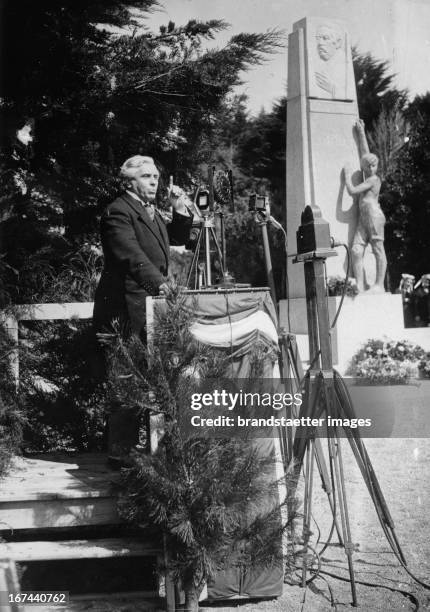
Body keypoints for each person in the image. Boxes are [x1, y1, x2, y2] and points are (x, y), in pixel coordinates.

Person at [93, 155, 193, 338]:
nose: (154, 182)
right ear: (129, 182)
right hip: (124, 311)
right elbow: (131, 256)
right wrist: (161, 283)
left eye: (156, 177)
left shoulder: (150, 211)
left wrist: (178, 207)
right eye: (146, 176)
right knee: (128, 365)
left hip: (149, 304)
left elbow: (178, 239)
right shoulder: (118, 211)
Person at [344, 119, 387, 293]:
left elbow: (353, 190)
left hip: (374, 216)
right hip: (364, 216)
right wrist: (361, 133)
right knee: (355, 250)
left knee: (378, 249)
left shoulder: (373, 179)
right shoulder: (367, 172)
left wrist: (347, 176)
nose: (371, 167)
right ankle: (360, 285)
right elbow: (365, 153)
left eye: (373, 165)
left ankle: (379, 284)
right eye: (368, 165)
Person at [314, 22, 345, 98]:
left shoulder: (344, 66)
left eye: (325, 38)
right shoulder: (317, 65)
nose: (320, 43)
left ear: (338, 43)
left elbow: (348, 94)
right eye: (318, 39)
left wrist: (333, 88)